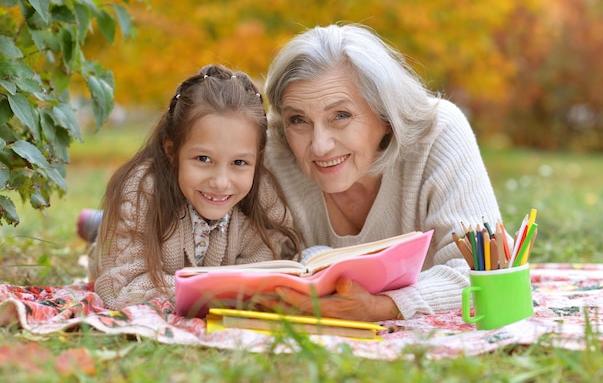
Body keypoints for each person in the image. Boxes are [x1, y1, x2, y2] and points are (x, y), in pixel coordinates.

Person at [261, 23, 507, 321]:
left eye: (341, 115)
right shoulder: (272, 152)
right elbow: (259, 263)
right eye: (298, 120)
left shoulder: (439, 132)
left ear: (385, 115)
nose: (320, 146)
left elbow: (484, 270)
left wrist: (382, 306)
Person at [88, 64, 301, 310]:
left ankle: (92, 221)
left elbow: (266, 271)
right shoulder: (142, 190)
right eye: (203, 159)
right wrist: (216, 291)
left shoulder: (260, 195)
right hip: (126, 239)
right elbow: (118, 290)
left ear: (257, 158)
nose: (221, 182)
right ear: (172, 150)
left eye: (239, 162)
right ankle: (96, 226)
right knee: (115, 230)